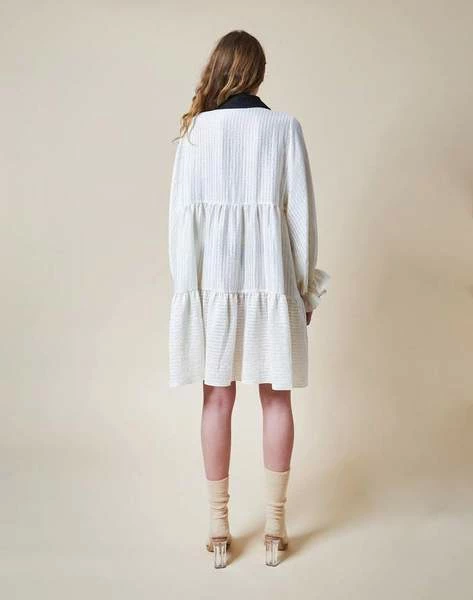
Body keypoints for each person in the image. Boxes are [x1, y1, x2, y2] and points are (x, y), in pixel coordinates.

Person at [168, 30, 330, 568]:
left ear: (218, 69)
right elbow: (301, 216)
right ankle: (275, 529)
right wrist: (304, 289)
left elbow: (181, 225)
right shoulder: (284, 127)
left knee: (216, 399)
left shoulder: (195, 132)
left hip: (213, 288)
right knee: (276, 400)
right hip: (271, 284)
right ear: (258, 72)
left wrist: (188, 295)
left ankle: (219, 528)